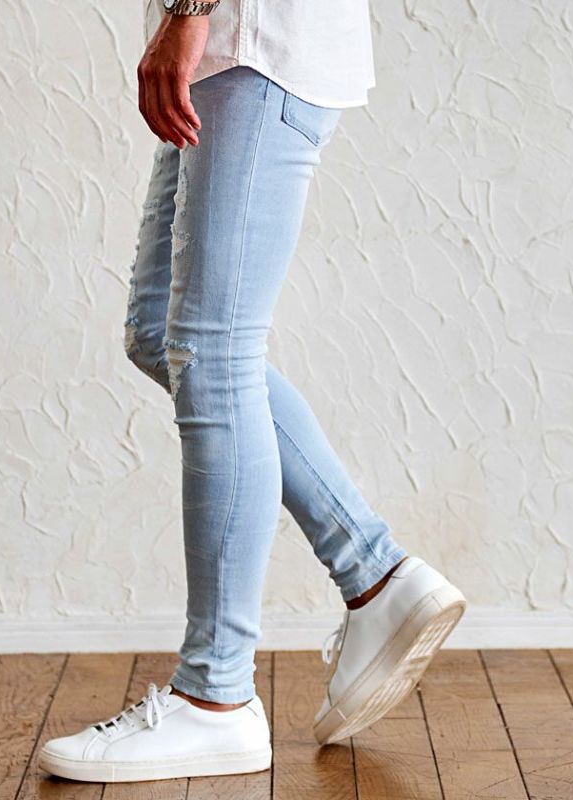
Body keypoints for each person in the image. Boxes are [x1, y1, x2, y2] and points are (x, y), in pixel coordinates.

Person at [38, 0, 466, 784]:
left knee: (214, 349)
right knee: (162, 334)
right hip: (243, 47)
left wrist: (188, 12)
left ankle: (216, 694)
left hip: (249, 41)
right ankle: (376, 573)